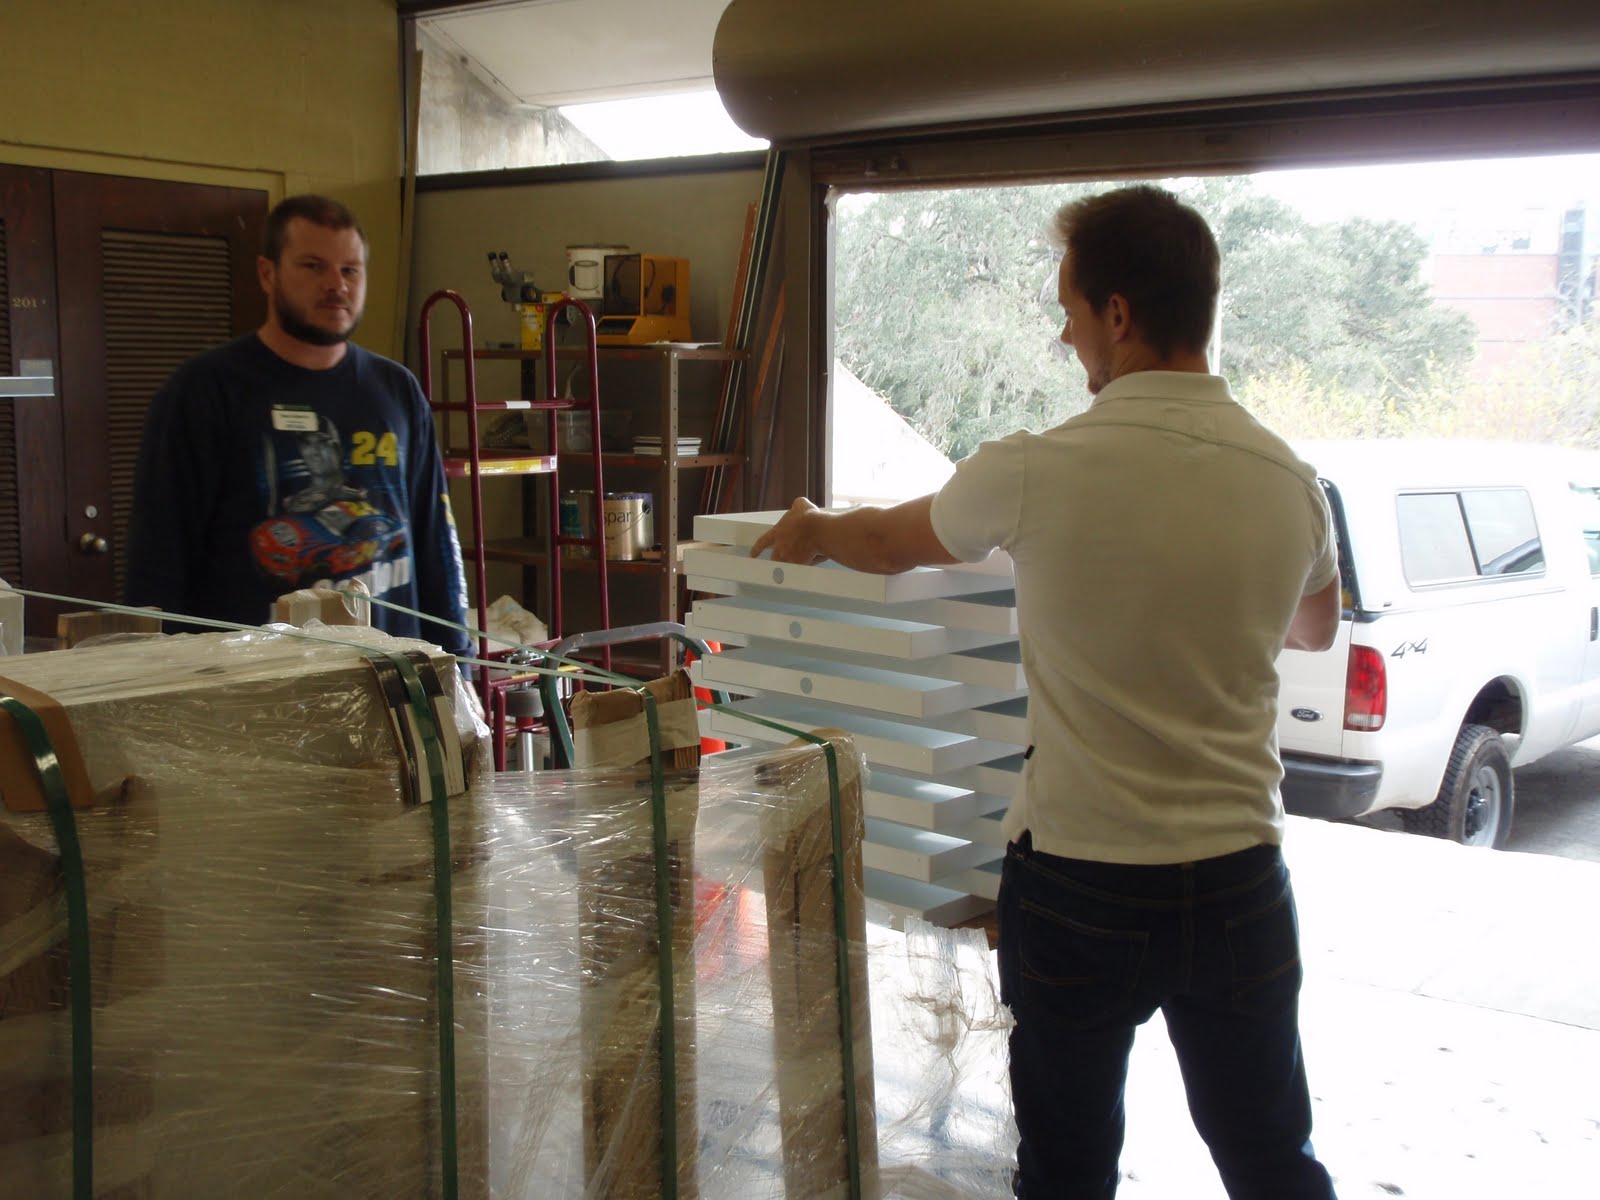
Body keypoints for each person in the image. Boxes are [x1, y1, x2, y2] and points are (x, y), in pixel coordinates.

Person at [751, 184, 1341, 1199]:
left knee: (1066, 1171)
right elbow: (1315, 624)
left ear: (1118, 313)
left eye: (1068, 311)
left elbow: (891, 543)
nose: (1066, 335)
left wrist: (811, 523)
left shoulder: (1034, 469)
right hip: (1239, 877)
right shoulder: (1289, 481)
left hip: (1082, 880)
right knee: (1269, 1157)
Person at [127, 194, 470, 660]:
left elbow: (435, 545)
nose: (337, 285)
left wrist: (459, 665)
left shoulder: (396, 390)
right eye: (313, 266)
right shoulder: (204, 392)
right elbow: (158, 563)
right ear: (268, 274)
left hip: (390, 681)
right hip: (255, 692)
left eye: (351, 270)